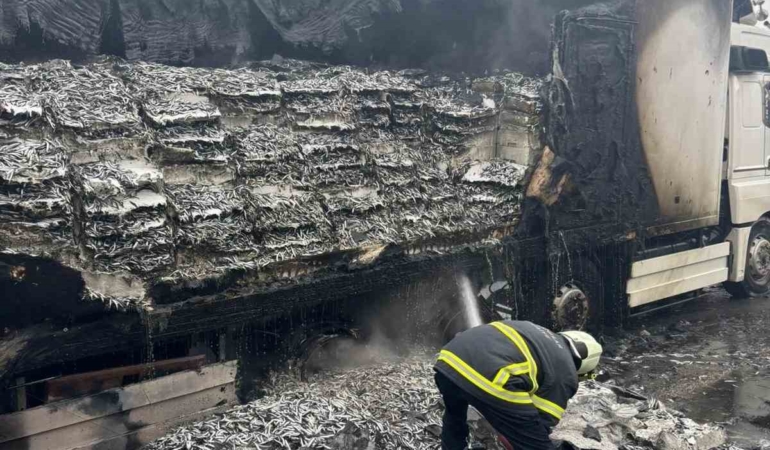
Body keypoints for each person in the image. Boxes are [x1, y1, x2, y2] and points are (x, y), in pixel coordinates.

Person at [434, 320, 602, 450]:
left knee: (454, 415)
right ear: (583, 366)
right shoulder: (567, 372)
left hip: (448, 361)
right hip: (492, 378)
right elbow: (541, 420)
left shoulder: (535, 331)